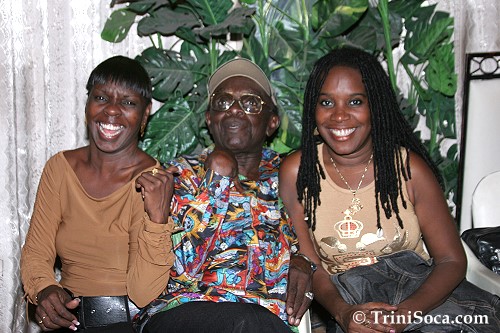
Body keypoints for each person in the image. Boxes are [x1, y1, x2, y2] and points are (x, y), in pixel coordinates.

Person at [279, 47, 500, 333]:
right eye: (326, 103)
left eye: (355, 101)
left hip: (419, 297)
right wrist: (344, 313)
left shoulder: (409, 169)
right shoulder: (298, 171)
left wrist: (405, 314)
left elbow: (451, 259)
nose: (339, 116)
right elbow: (312, 266)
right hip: (348, 302)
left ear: (376, 107)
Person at [134, 58, 315, 333]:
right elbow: (182, 272)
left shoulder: (288, 177)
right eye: (223, 102)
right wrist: (217, 177)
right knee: (245, 322)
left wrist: (304, 261)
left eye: (251, 103)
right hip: (184, 311)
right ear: (210, 119)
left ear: (272, 122)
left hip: (265, 317)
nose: (234, 111)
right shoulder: (179, 176)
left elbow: (320, 247)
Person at [21, 56, 177, 332]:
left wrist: (157, 220)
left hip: (130, 324)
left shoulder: (151, 181)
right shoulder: (60, 168)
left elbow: (144, 293)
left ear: (145, 112)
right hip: (69, 320)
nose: (112, 111)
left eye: (128, 102)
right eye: (102, 98)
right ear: (88, 105)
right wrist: (44, 289)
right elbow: (37, 252)